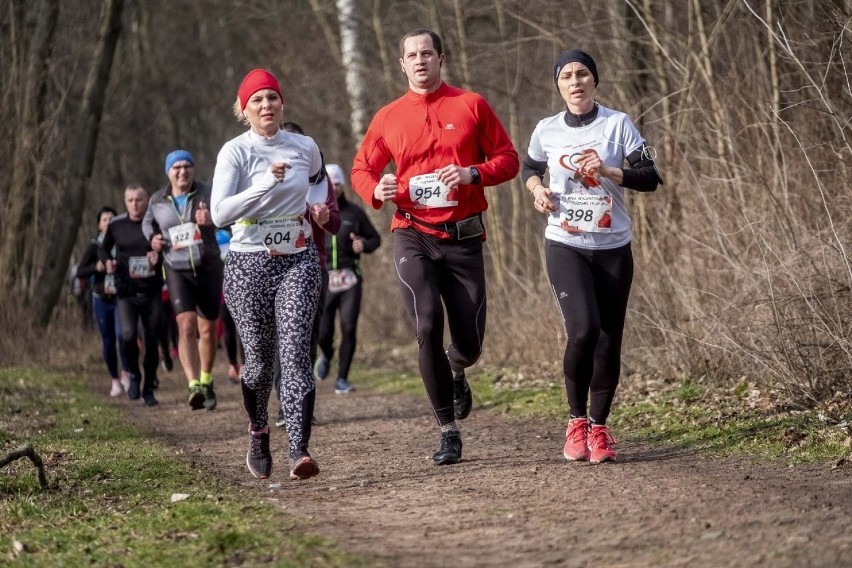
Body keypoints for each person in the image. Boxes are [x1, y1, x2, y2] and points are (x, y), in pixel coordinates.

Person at [351, 29, 519, 465]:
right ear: (401, 64)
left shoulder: (471, 104)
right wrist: (377, 188)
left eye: (428, 53)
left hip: (463, 238)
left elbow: (508, 159)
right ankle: (448, 430)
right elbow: (361, 169)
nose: (420, 60)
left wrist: (473, 174)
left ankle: (457, 367)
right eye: (412, 54)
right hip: (413, 233)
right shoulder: (388, 116)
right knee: (426, 324)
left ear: (441, 58)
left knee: (471, 343)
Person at [523, 49, 663, 463]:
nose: (575, 81)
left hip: (613, 247)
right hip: (566, 244)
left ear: (594, 80)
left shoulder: (617, 125)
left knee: (608, 340)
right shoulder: (546, 130)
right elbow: (528, 168)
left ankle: (600, 430)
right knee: (583, 330)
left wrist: (608, 171)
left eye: (583, 73)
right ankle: (575, 421)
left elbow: (650, 178)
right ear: (558, 85)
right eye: (566, 75)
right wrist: (537, 191)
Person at [211, 68, 329, 481]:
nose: (266, 105)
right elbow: (219, 213)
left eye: (272, 98)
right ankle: (258, 429)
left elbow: (318, 182)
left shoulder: (304, 146)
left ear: (283, 104)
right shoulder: (235, 152)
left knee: (296, 355)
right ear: (245, 109)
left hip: (298, 259)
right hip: (248, 266)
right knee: (259, 365)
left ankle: (299, 449)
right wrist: (263, 183)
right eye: (257, 100)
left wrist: (317, 208)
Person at [144, 149, 223, 411]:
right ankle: (193, 385)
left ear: (193, 169)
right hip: (177, 269)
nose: (182, 171)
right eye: (176, 167)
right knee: (186, 325)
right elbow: (148, 225)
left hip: (208, 265)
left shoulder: (208, 192)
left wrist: (212, 220)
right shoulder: (157, 199)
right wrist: (153, 240)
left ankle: (207, 379)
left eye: (187, 166)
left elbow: (231, 220)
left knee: (207, 330)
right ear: (168, 172)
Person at [273, 121, 340, 428]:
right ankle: (285, 405)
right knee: (278, 339)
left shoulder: (320, 178)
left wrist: (325, 217)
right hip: (271, 265)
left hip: (312, 264)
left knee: (306, 338)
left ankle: (300, 403)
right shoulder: (267, 174)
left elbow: (336, 224)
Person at [315, 163, 381, 395]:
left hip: (350, 278)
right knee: (323, 332)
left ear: (343, 186)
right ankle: (327, 353)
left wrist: (363, 244)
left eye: (338, 183)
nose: (335, 187)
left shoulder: (355, 213)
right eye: (330, 184)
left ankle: (342, 378)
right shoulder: (316, 211)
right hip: (324, 278)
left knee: (349, 327)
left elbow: (375, 239)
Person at [100, 184, 163, 406]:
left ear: (147, 201)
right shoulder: (116, 225)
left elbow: (168, 249)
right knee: (127, 335)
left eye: (139, 199)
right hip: (126, 291)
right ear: (125, 202)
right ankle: (133, 374)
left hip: (152, 290)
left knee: (151, 340)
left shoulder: (156, 224)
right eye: (130, 200)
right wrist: (108, 261)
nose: (135, 204)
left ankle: (148, 388)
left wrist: (159, 257)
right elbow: (103, 247)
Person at [75, 205, 130, 396]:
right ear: (99, 224)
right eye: (104, 219)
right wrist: (96, 268)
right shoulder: (94, 246)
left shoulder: (123, 243)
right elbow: (80, 271)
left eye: (111, 219)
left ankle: (126, 373)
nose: (108, 222)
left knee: (122, 335)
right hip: (101, 298)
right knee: (108, 340)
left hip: (121, 298)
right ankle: (114, 380)